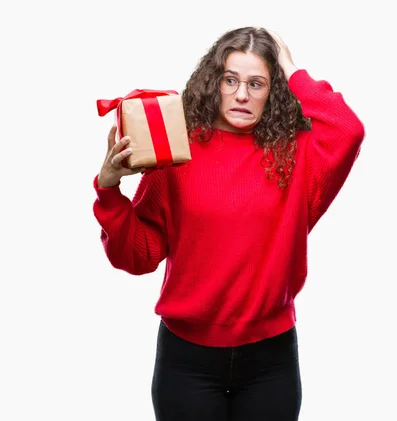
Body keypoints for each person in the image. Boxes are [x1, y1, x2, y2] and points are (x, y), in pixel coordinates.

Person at [92, 26, 365, 421]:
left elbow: (348, 129)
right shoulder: (177, 152)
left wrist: (289, 66)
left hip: (271, 359)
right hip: (187, 361)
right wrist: (109, 189)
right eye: (230, 80)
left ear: (274, 91)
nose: (241, 94)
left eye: (257, 83)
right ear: (213, 82)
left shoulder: (296, 155)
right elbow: (138, 256)